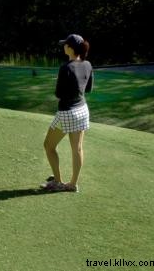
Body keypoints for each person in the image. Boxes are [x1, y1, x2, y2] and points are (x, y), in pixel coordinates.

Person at [41, 33, 94, 192]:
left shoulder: (65, 68)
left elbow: (58, 93)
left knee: (48, 146)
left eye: (65, 44)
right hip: (83, 110)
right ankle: (72, 184)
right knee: (77, 148)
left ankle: (57, 182)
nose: (64, 46)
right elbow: (89, 89)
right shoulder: (88, 65)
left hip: (67, 113)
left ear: (70, 48)